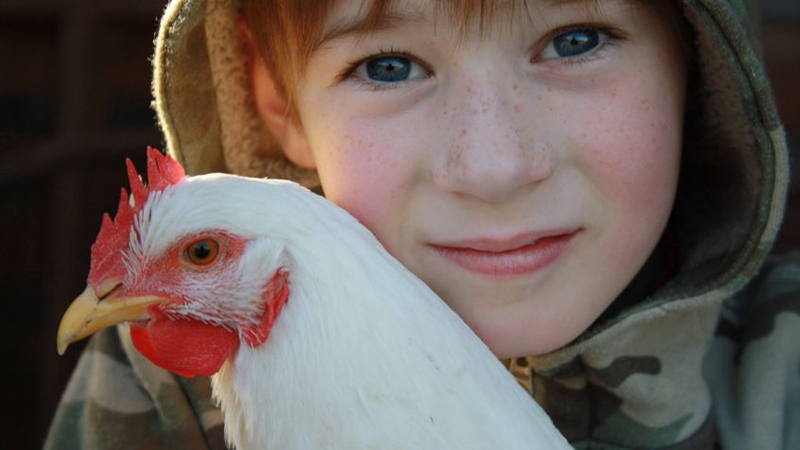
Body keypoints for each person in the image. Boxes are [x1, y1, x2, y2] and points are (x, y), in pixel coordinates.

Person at [45, 0, 797, 448]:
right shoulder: (156, 402)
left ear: (701, 67)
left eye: (575, 39)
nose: (494, 168)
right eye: (390, 65)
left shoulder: (783, 377)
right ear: (275, 101)